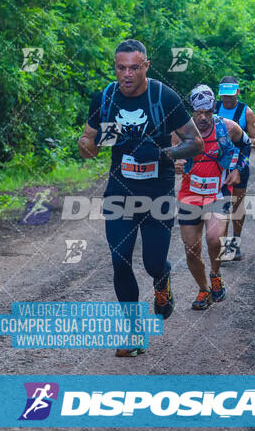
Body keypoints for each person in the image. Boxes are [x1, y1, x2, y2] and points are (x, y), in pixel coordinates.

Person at [78, 39, 203, 356]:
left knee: (152, 264)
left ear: (146, 66)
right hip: (120, 191)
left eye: (134, 67)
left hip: (156, 194)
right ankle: (134, 332)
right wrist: (89, 145)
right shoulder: (105, 98)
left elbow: (196, 143)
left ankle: (162, 282)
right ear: (115, 67)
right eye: (121, 67)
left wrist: (163, 153)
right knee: (120, 261)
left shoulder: (163, 97)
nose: (127, 74)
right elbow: (89, 141)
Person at [174, 84, 251, 310]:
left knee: (214, 239)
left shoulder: (228, 127)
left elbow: (246, 145)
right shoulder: (180, 130)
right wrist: (175, 162)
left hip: (218, 193)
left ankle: (216, 274)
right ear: (192, 111)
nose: (204, 117)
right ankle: (203, 289)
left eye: (208, 112)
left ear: (214, 108)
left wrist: (237, 169)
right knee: (191, 249)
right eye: (199, 113)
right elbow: (168, 154)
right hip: (190, 195)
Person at [214, 76, 255, 261]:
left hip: (240, 165)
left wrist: (246, 140)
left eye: (230, 96)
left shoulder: (246, 112)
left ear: (238, 93)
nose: (227, 99)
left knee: (237, 204)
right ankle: (224, 247)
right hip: (217, 165)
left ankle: (236, 242)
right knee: (221, 205)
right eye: (224, 96)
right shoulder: (213, 108)